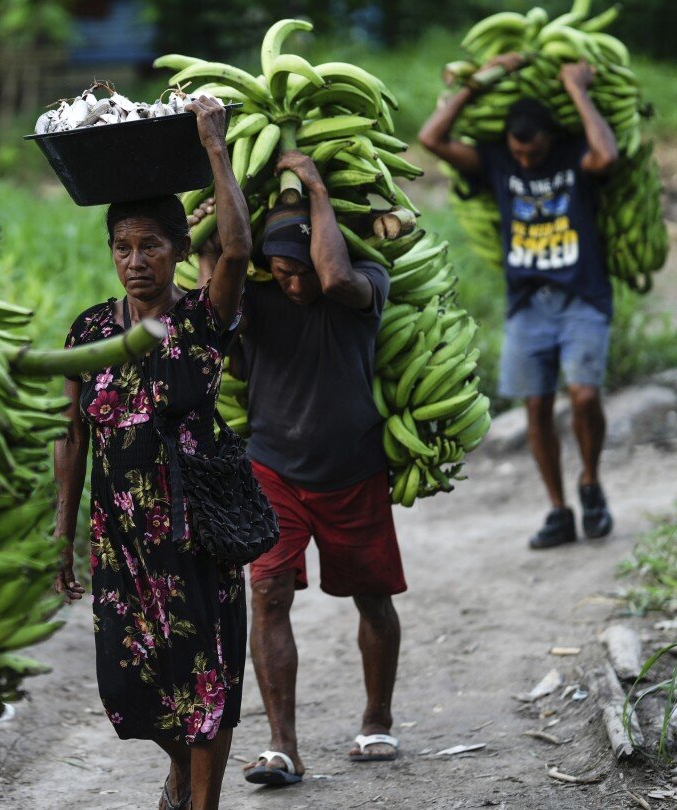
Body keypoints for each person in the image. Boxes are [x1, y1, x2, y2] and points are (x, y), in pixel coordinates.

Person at [52, 94, 253, 810]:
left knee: (205, 678)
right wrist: (62, 533)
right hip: (121, 540)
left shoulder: (203, 318)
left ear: (175, 251)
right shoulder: (90, 331)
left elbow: (236, 249)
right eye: (123, 247)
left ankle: (202, 802)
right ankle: (181, 773)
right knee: (132, 686)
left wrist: (214, 147)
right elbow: (72, 433)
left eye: (152, 246)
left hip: (195, 532)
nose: (136, 262)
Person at [194, 151, 405, 784]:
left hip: (352, 469)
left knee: (371, 597)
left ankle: (377, 719)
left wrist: (315, 188)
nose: (293, 283)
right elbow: (213, 311)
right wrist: (209, 233)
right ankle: (282, 746)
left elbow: (334, 277)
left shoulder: (362, 283)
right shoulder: (255, 299)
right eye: (280, 271)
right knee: (268, 595)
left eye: (300, 270)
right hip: (274, 469)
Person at [419, 56, 619, 549]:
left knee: (585, 395)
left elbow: (608, 156)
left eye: (533, 153)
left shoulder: (576, 154)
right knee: (535, 408)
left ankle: (590, 482)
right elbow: (432, 140)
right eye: (518, 153)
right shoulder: (498, 160)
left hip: (582, 298)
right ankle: (558, 510)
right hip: (527, 304)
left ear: (550, 137)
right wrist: (479, 82)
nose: (525, 162)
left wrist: (577, 88)